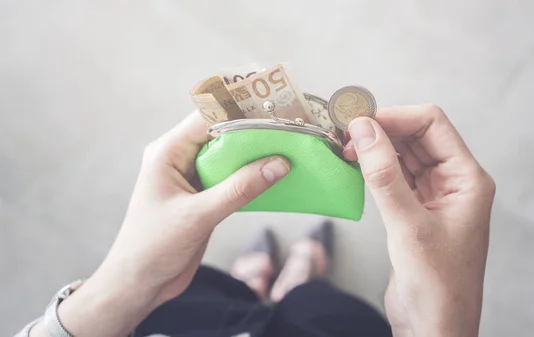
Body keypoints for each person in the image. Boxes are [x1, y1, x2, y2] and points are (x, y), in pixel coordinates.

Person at [16, 104, 495, 337]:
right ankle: (295, 282)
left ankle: (257, 283)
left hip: (173, 320)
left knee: (208, 290)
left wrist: (121, 287)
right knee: (315, 303)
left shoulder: (154, 294)